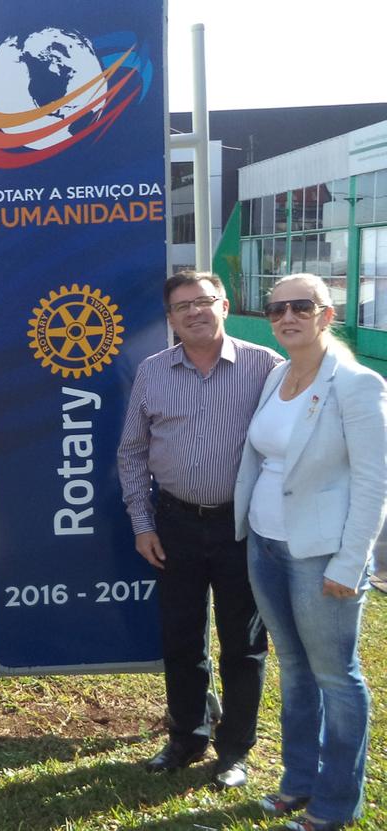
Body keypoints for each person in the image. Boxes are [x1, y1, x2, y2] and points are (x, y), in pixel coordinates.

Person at [117, 271, 282, 788]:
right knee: (182, 637)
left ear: (224, 305)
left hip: (244, 526)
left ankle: (234, 750)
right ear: (169, 319)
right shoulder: (152, 371)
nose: (194, 312)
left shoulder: (265, 367)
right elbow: (132, 452)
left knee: (243, 642)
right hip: (176, 523)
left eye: (203, 301)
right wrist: (143, 524)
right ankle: (187, 736)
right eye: (181, 306)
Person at [234, 275, 387, 831]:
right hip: (266, 544)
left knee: (336, 677)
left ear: (327, 315)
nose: (287, 316)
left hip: (323, 555)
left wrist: (351, 562)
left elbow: (374, 483)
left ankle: (336, 803)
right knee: (295, 669)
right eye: (277, 308)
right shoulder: (278, 375)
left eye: (302, 307)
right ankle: (297, 781)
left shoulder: (356, 384)